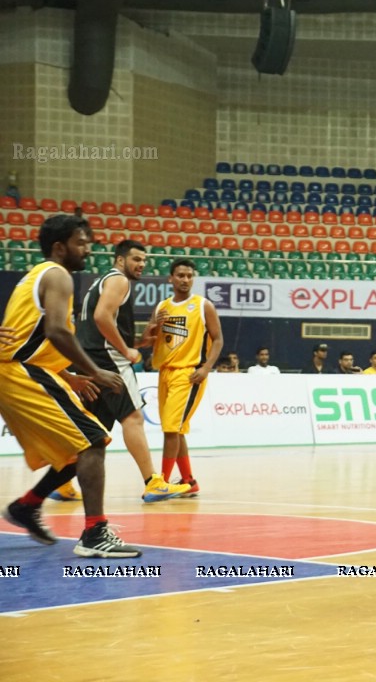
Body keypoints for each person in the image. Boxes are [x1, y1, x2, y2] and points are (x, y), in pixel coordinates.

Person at [0, 215, 141, 557]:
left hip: (20, 371)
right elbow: (56, 333)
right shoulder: (57, 275)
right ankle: (95, 534)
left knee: (77, 451)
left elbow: (34, 338)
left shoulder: (35, 276)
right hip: (20, 372)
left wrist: (70, 377)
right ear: (59, 247)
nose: (88, 249)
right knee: (94, 440)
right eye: (81, 242)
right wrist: (96, 370)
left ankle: (27, 505)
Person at [73, 239, 191, 503]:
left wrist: (138, 342)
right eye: (136, 259)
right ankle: (153, 482)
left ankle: (64, 482)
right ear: (120, 259)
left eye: (144, 261)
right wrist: (126, 352)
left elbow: (99, 326)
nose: (141, 265)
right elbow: (102, 317)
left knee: (95, 431)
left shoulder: (102, 282)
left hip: (89, 359)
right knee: (133, 418)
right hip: (109, 360)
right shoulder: (119, 280)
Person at [143, 258, 223, 500]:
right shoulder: (161, 307)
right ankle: (188, 481)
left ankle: (163, 483)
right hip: (164, 373)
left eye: (189, 275)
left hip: (189, 374)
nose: (185, 279)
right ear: (170, 278)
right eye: (180, 275)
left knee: (170, 429)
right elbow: (148, 340)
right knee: (176, 431)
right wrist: (152, 327)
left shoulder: (202, 305)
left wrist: (207, 368)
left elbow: (218, 339)